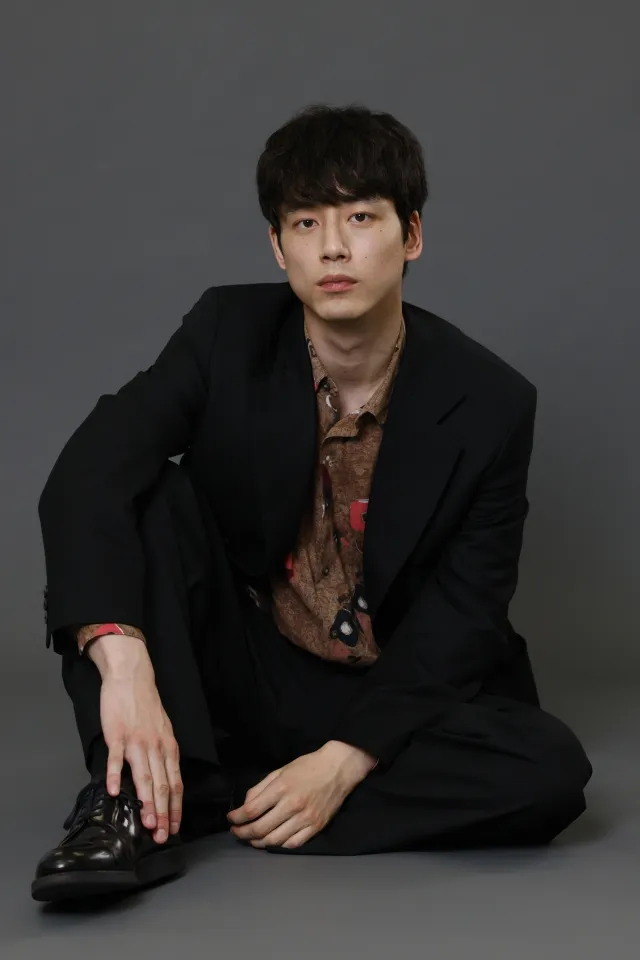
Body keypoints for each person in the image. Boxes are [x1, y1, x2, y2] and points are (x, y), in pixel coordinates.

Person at [31, 102, 593, 903]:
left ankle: (217, 793)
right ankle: (128, 807)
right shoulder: (225, 332)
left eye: (361, 217)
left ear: (411, 235)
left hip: (389, 689)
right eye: (305, 223)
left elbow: (466, 615)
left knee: (549, 770)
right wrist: (120, 659)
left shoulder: (491, 401)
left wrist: (343, 761)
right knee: (148, 491)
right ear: (278, 246)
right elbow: (89, 470)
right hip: (246, 662)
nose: (333, 247)